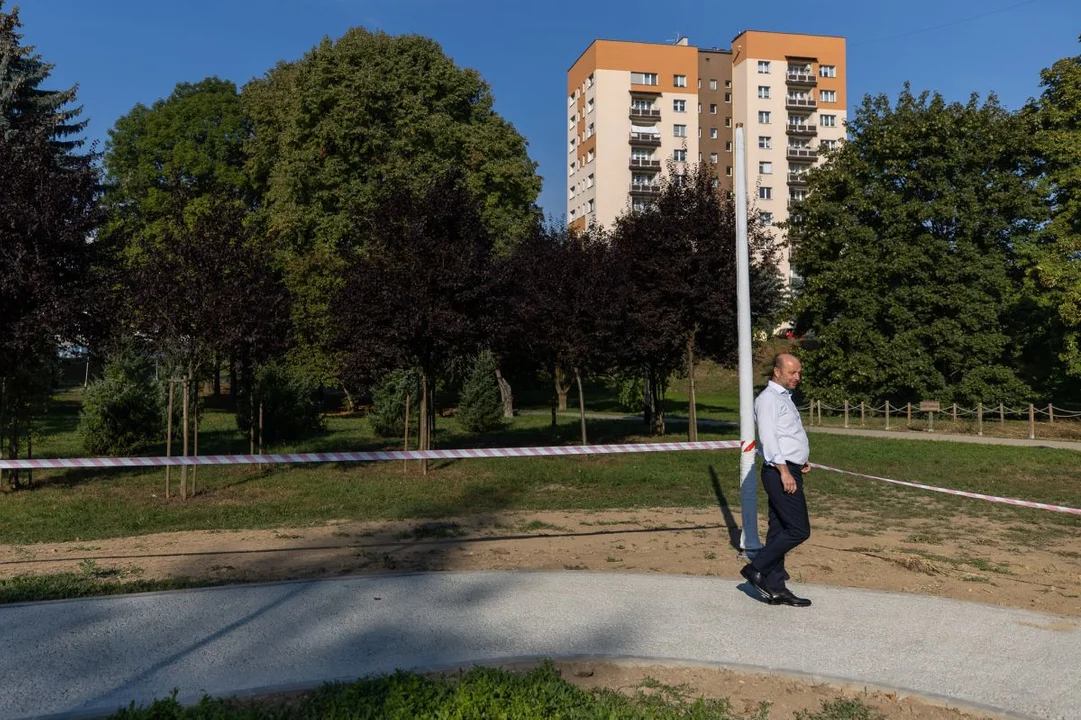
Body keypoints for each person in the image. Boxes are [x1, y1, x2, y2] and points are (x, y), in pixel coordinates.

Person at [740, 353, 812, 607]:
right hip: (779, 472)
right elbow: (769, 440)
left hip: (790, 468)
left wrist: (800, 459)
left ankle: (776, 587)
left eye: (799, 373)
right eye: (792, 372)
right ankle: (755, 568)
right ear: (777, 371)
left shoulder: (783, 398)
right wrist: (784, 470)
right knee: (799, 529)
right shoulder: (768, 399)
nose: (797, 377)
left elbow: (787, 435)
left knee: (779, 529)